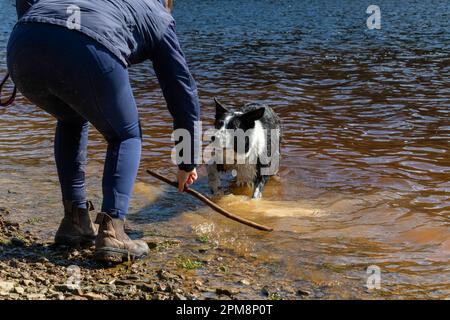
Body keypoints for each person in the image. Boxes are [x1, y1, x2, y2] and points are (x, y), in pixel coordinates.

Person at [7, 0, 200, 262]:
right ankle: (113, 232)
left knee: (70, 117)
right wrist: (187, 159)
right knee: (125, 135)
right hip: (83, 45)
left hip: (22, 40)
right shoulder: (159, 15)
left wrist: (37, 37)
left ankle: (75, 220)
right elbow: (182, 90)